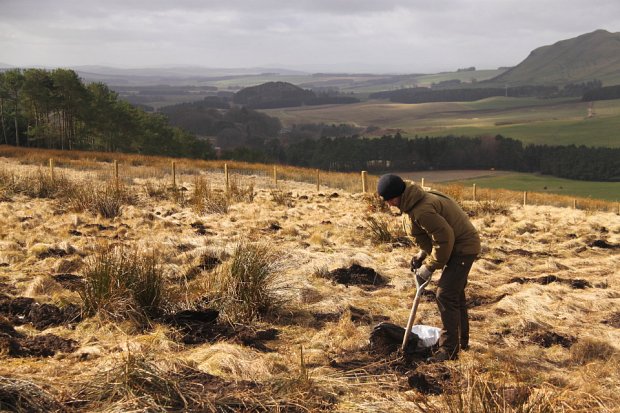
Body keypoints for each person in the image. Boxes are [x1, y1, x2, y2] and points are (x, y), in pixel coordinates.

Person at [377, 174, 481, 362]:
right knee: (455, 294)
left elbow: (444, 238)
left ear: (398, 195)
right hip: (455, 248)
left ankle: (449, 350)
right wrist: (422, 255)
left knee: (445, 295)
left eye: (390, 200)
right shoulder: (413, 202)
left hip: (463, 249)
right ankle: (461, 343)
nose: (389, 205)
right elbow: (432, 237)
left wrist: (430, 267)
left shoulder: (422, 209)